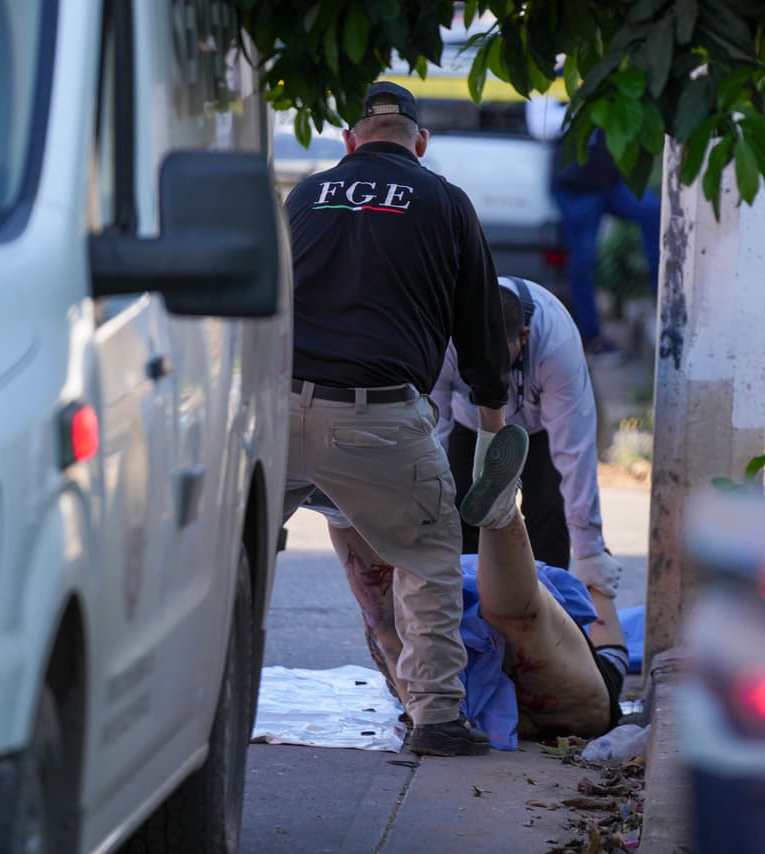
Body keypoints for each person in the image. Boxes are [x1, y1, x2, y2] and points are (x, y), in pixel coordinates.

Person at [281, 81, 516, 757]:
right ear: (421, 142)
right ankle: (437, 717)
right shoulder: (444, 200)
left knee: (223, 559)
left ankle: (190, 710)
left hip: (276, 405)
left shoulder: (304, 195)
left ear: (351, 141)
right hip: (377, 418)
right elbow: (479, 327)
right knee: (428, 558)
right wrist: (494, 434)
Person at [304, 426, 630, 747]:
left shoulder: (613, 657)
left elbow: (603, 612)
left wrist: (597, 578)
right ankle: (498, 513)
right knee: (522, 622)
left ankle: (346, 516)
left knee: (392, 626)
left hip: (446, 635)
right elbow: (605, 618)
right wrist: (595, 563)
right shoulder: (611, 666)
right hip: (559, 710)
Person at [431, 275, 624, 601]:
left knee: (550, 511)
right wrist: (427, 517)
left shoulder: (557, 345)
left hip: (540, 428)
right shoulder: (448, 335)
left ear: (524, 337)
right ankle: (468, 612)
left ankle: (549, 613)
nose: (489, 372)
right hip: (470, 422)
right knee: (460, 508)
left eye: (497, 362)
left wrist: (590, 551)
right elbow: (433, 427)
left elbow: (574, 453)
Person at [529, 97, 661, 355]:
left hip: (611, 180)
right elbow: (541, 126)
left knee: (656, 214)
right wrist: (588, 105)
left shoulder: (604, 69)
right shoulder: (552, 76)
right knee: (583, 260)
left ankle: (664, 300)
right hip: (576, 188)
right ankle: (591, 338)